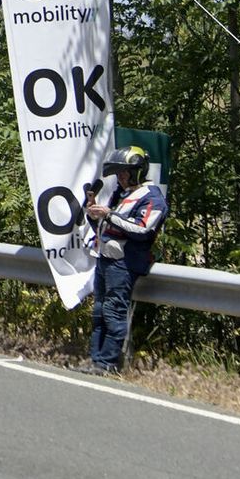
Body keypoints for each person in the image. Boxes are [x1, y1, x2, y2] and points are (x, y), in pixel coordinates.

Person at [82, 144, 167, 374]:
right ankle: (95, 360)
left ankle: (108, 363)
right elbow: (105, 227)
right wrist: (93, 214)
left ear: (137, 171)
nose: (120, 178)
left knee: (113, 311)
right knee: (99, 311)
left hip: (124, 263)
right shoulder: (121, 194)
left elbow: (143, 230)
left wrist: (109, 215)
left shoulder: (152, 197)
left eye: (124, 173)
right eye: (118, 173)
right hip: (105, 259)